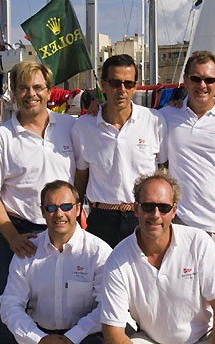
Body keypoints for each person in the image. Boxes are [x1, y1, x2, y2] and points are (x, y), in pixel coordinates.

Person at [0, 61, 76, 344]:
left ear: (50, 91)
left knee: (62, 315)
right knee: (11, 316)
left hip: (63, 233)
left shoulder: (70, 126)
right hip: (20, 236)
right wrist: (13, 237)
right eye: (23, 88)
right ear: (14, 93)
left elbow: (85, 170)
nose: (31, 94)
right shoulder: (0, 137)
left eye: (38, 87)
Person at [100, 171, 215, 344]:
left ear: (174, 210)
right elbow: (113, 332)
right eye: (148, 206)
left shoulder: (198, 242)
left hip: (204, 339)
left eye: (163, 208)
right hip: (150, 340)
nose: (155, 214)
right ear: (136, 209)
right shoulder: (117, 259)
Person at [159, 51, 215, 280]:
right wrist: (95, 105)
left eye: (209, 80)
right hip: (179, 226)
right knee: (180, 296)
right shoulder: (167, 115)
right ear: (185, 79)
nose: (202, 85)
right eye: (196, 79)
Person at [72, 54, 168, 247]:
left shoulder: (154, 121)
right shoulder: (83, 127)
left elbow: (164, 169)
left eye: (128, 83)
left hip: (143, 216)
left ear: (136, 86)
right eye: (115, 83)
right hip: (101, 219)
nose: (122, 90)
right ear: (104, 85)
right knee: (99, 276)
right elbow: (81, 177)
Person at [0, 180, 112, 344]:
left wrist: (72, 337)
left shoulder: (98, 252)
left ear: (78, 209)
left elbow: (107, 306)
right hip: (39, 334)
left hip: (87, 336)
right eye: (51, 208)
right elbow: (10, 304)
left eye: (66, 207)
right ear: (42, 212)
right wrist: (38, 338)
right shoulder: (28, 251)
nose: (59, 214)